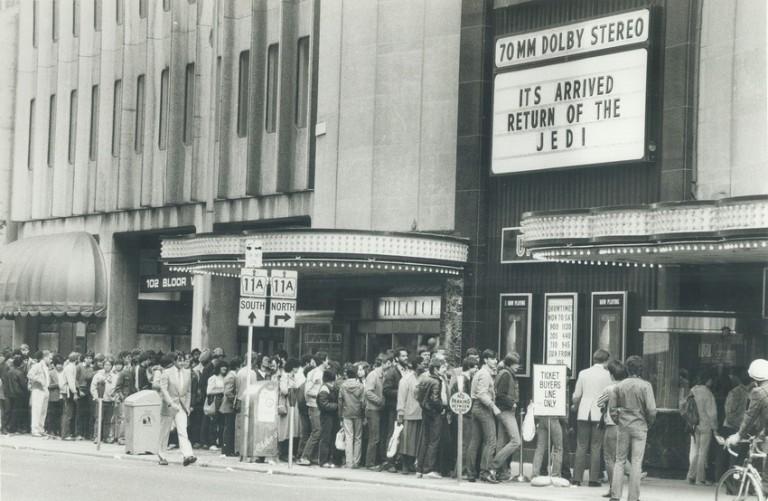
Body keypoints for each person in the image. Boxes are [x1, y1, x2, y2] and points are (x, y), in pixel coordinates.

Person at [608, 355, 657, 501]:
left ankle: (615, 495)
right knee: (636, 462)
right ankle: (633, 497)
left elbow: (612, 409)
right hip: (640, 426)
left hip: (624, 426)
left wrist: (619, 420)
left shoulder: (620, 386)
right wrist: (649, 422)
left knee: (620, 460)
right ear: (640, 369)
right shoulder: (646, 385)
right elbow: (652, 409)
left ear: (627, 369)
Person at [725, 359, 768, 494]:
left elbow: (750, 417)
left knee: (766, 479)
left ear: (754, 379)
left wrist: (738, 436)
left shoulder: (759, 392)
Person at [571, 348, 612, 486]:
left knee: (581, 446)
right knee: (596, 447)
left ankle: (576, 478)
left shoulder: (583, 373)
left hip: (583, 412)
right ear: (606, 361)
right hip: (599, 414)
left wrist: (575, 406)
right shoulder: (608, 375)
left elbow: (576, 395)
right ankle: (593, 479)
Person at [154, 351, 196, 467]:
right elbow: (164, 390)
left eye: (184, 360)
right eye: (179, 360)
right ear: (174, 361)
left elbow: (188, 392)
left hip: (181, 406)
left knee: (183, 430)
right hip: (169, 405)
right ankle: (162, 455)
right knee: (164, 432)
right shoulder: (166, 373)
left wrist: (186, 406)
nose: (182, 363)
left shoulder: (187, 373)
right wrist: (171, 403)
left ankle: (187, 455)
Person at [466, 349, 501, 483]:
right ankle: (485, 472)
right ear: (485, 360)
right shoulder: (485, 374)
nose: (496, 361)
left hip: (475, 407)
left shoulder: (480, 373)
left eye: (496, 359)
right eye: (493, 358)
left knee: (475, 441)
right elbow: (482, 393)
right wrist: (494, 406)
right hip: (484, 408)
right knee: (491, 441)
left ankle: (470, 473)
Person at [597, 359, 628, 497]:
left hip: (612, 424)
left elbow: (599, 402)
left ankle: (613, 488)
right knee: (621, 457)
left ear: (612, 375)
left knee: (609, 458)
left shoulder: (610, 389)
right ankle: (632, 476)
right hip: (626, 425)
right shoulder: (628, 387)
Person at [492, 352, 522, 481]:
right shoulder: (506, 374)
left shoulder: (504, 373)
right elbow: (501, 395)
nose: (518, 366)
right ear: (510, 364)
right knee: (516, 441)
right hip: (506, 411)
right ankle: (494, 464)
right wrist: (512, 404)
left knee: (501, 442)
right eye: (516, 364)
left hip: (501, 411)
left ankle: (502, 473)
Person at [417, 357, 448, 479]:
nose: (445, 369)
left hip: (425, 412)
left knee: (425, 440)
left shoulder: (424, 378)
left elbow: (418, 395)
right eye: (443, 367)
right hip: (435, 413)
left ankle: (420, 469)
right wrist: (442, 408)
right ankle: (428, 469)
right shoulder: (436, 381)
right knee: (433, 441)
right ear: (436, 369)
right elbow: (435, 399)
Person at [686, 369, 718, 485]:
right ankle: (700, 478)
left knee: (697, 452)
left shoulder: (694, 389)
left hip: (696, 425)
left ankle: (690, 475)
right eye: (711, 380)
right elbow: (712, 413)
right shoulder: (708, 393)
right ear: (707, 380)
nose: (712, 382)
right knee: (703, 452)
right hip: (706, 425)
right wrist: (715, 428)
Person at [297, 351, 329, 466]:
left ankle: (312, 456)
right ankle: (304, 457)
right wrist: (319, 394)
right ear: (323, 361)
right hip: (314, 405)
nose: (328, 361)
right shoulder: (316, 373)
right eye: (327, 359)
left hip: (315, 405)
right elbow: (308, 390)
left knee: (317, 432)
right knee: (316, 432)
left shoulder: (318, 372)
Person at [382, 347, 410, 473]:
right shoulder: (392, 373)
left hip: (405, 407)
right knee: (392, 434)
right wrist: (402, 392)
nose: (406, 358)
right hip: (393, 408)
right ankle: (390, 462)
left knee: (402, 435)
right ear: (397, 359)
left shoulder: (408, 371)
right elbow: (386, 390)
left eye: (406, 355)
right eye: (403, 356)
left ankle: (398, 460)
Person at [362, 352, 391, 471]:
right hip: (373, 409)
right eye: (388, 363)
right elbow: (368, 392)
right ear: (383, 363)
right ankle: (370, 463)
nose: (390, 366)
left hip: (378, 409)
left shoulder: (383, 375)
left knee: (378, 437)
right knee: (374, 437)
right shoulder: (373, 375)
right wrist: (379, 401)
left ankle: (377, 461)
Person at [450, 356, 478, 479]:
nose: (477, 369)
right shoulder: (463, 380)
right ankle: (459, 471)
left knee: (465, 443)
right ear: (469, 367)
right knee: (466, 443)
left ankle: (459, 470)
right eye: (475, 366)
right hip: (465, 416)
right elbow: (465, 400)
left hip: (464, 415)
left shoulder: (466, 379)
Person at [90, 358, 117, 443]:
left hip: (110, 400)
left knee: (108, 420)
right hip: (100, 400)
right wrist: (96, 397)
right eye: (106, 364)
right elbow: (93, 387)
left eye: (109, 365)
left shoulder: (114, 376)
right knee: (99, 419)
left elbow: (116, 388)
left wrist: (114, 398)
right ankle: (97, 437)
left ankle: (106, 437)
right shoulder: (98, 375)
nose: (107, 366)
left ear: (111, 366)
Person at [317, 369, 339, 468]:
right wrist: (337, 406)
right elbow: (324, 405)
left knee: (331, 437)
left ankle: (330, 459)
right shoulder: (324, 389)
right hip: (326, 416)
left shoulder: (329, 387)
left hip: (331, 416)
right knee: (325, 438)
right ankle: (323, 460)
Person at [205, 360, 229, 451]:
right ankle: (212, 443)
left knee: (223, 422)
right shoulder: (213, 378)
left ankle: (221, 442)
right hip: (215, 401)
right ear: (218, 368)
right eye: (222, 366)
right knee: (213, 422)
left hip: (224, 401)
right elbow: (209, 391)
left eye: (225, 367)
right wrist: (222, 390)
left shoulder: (226, 377)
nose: (224, 368)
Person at [28, 350, 53, 437]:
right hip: (38, 390)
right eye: (50, 358)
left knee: (43, 411)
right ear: (45, 357)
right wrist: (39, 379)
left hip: (45, 389)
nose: (51, 360)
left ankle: (40, 429)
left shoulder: (46, 367)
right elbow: (30, 374)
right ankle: (35, 430)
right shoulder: (37, 365)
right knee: (37, 410)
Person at [220, 357, 239, 457]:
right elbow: (228, 392)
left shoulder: (230, 375)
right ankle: (227, 450)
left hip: (228, 406)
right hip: (229, 406)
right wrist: (236, 398)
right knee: (229, 428)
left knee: (229, 428)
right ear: (237, 367)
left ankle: (228, 449)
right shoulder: (232, 376)